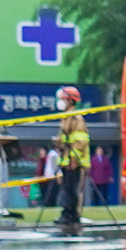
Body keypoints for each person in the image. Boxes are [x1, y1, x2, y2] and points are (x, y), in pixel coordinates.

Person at [54, 85, 91, 231]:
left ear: (71, 101)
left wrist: (75, 159)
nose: (60, 102)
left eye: (63, 99)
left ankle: (71, 215)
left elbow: (80, 140)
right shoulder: (66, 117)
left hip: (73, 161)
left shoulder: (76, 118)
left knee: (72, 190)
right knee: (67, 189)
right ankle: (68, 214)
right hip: (66, 160)